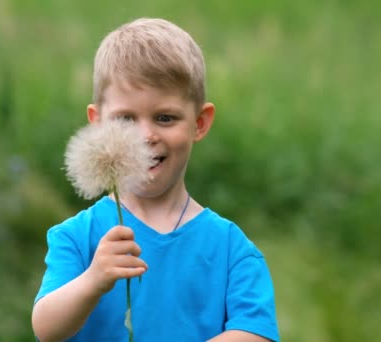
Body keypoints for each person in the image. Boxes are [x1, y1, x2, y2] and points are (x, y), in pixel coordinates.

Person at [31, 18, 279, 342]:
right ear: (97, 123)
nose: (146, 135)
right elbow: (46, 328)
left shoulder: (231, 250)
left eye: (165, 118)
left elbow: (255, 333)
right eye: (125, 119)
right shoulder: (77, 238)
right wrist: (93, 280)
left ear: (200, 123)